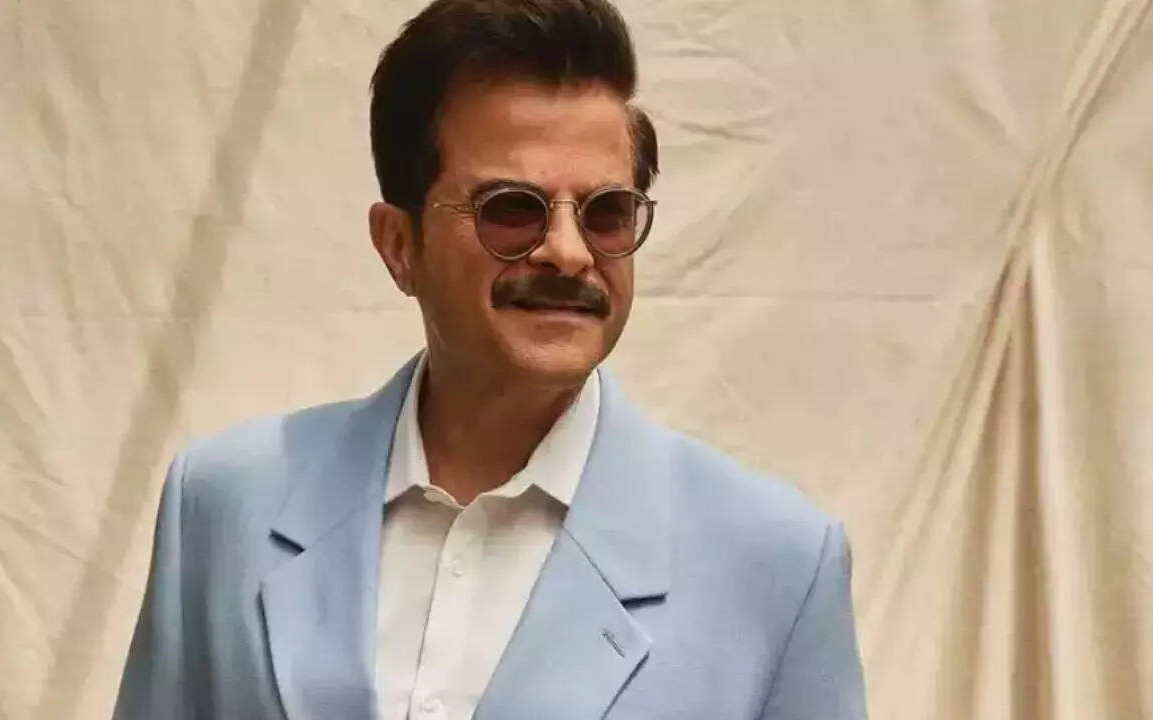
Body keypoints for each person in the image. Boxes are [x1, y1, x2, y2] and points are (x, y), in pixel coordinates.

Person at [113, 0, 868, 718]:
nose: (568, 252)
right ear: (399, 245)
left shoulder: (775, 564)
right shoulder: (224, 506)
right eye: (511, 209)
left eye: (607, 213)